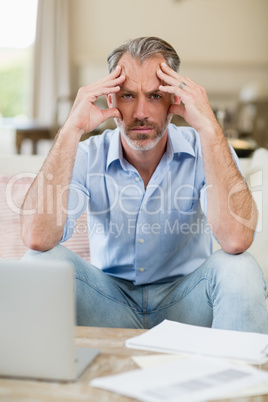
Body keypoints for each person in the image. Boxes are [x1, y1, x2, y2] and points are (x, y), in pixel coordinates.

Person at [21, 37, 268, 332]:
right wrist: (71, 129)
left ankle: (237, 379)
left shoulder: (207, 147)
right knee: (39, 264)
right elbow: (36, 237)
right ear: (110, 99)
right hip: (107, 303)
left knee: (240, 269)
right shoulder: (87, 154)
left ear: (173, 101)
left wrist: (209, 126)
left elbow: (237, 240)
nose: (141, 113)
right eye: (128, 96)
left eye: (154, 96)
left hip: (186, 303)